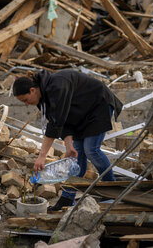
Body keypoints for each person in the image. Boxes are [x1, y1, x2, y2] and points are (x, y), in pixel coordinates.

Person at [13, 69, 123, 211]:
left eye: (25, 100)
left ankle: (111, 191)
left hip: (98, 104)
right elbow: (62, 121)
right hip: (80, 114)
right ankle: (67, 198)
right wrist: (69, 145)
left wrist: (42, 156)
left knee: (91, 150)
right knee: (76, 157)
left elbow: (55, 125)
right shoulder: (43, 100)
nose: (26, 104)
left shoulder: (57, 86)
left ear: (33, 90)